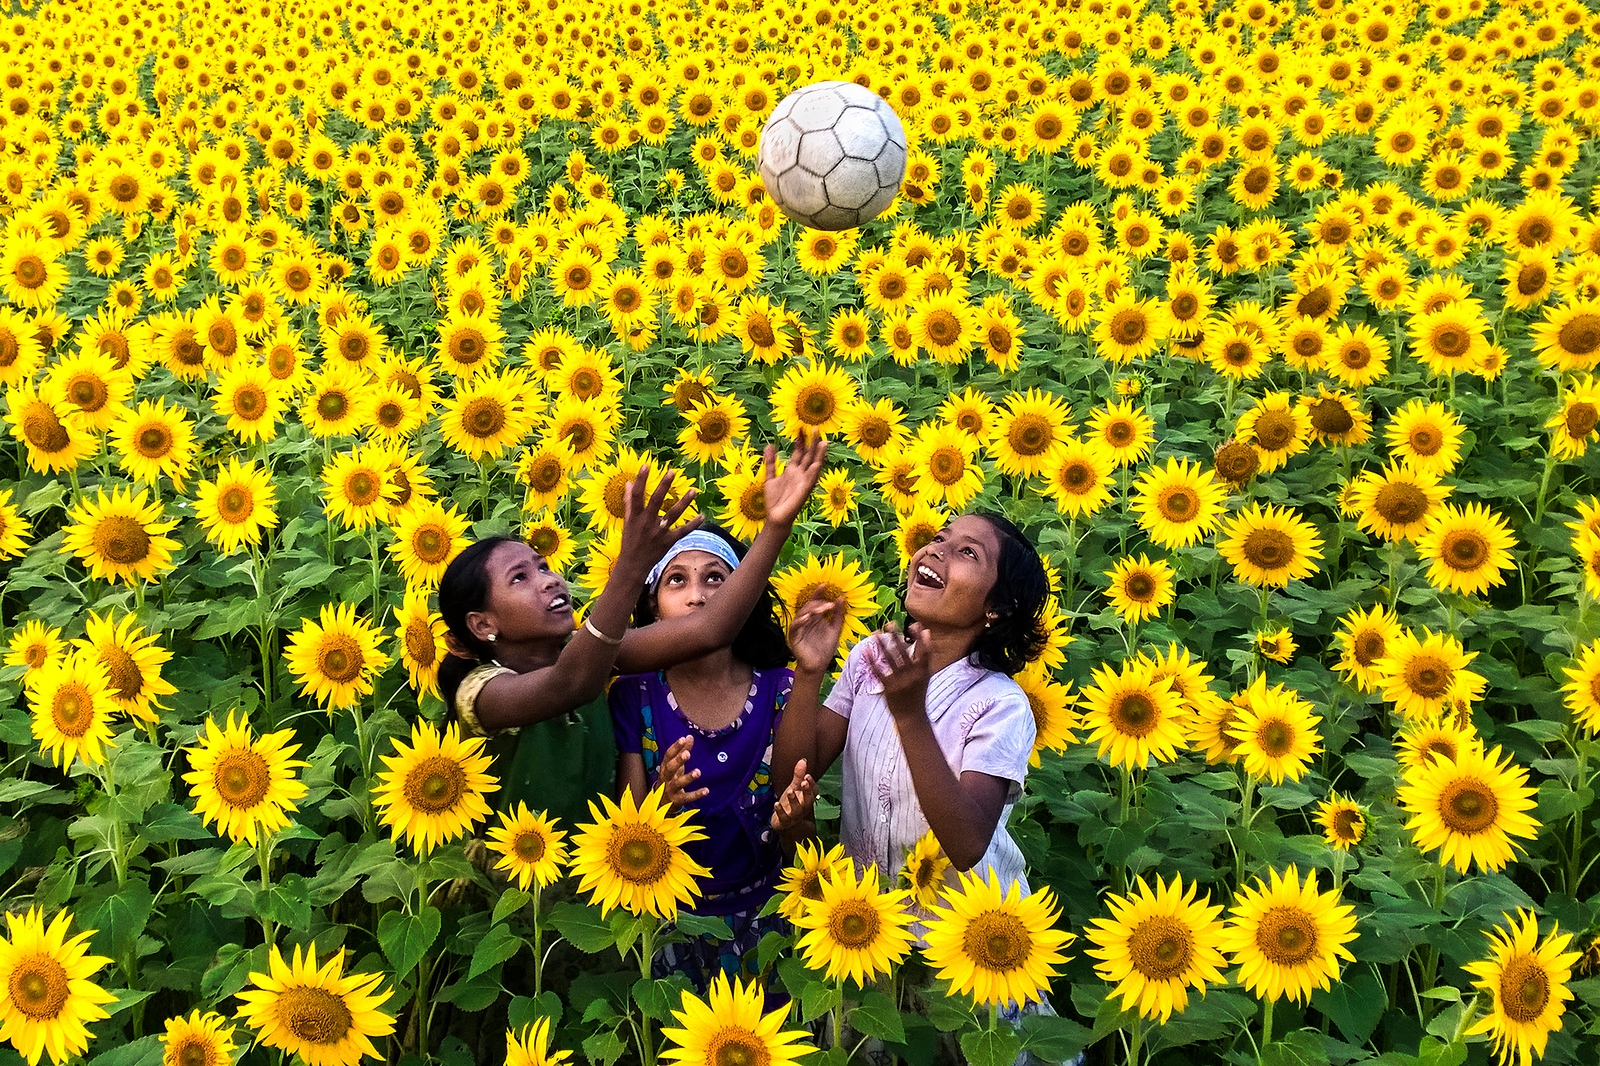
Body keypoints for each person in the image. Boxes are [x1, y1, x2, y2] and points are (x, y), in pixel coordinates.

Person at [436, 435, 827, 831]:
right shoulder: (481, 693)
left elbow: (709, 630)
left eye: (543, 566)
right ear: (483, 624)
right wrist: (632, 566)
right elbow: (569, 684)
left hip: (596, 873)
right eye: (519, 578)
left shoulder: (587, 654)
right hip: (513, 879)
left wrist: (776, 526)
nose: (549, 581)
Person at [786, 510, 1049, 915]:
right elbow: (793, 776)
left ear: (996, 607)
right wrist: (808, 671)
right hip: (870, 925)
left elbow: (967, 844)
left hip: (970, 942)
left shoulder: (999, 704)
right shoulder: (870, 659)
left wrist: (910, 717)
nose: (936, 550)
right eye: (940, 537)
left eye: (967, 552)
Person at [611, 523, 818, 989]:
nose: (697, 596)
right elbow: (626, 831)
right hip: (669, 922)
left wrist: (809, 672)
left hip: (767, 914)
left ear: (743, 598)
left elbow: (801, 818)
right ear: (651, 604)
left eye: (716, 579)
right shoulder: (633, 695)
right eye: (676, 580)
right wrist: (663, 800)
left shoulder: (780, 690)